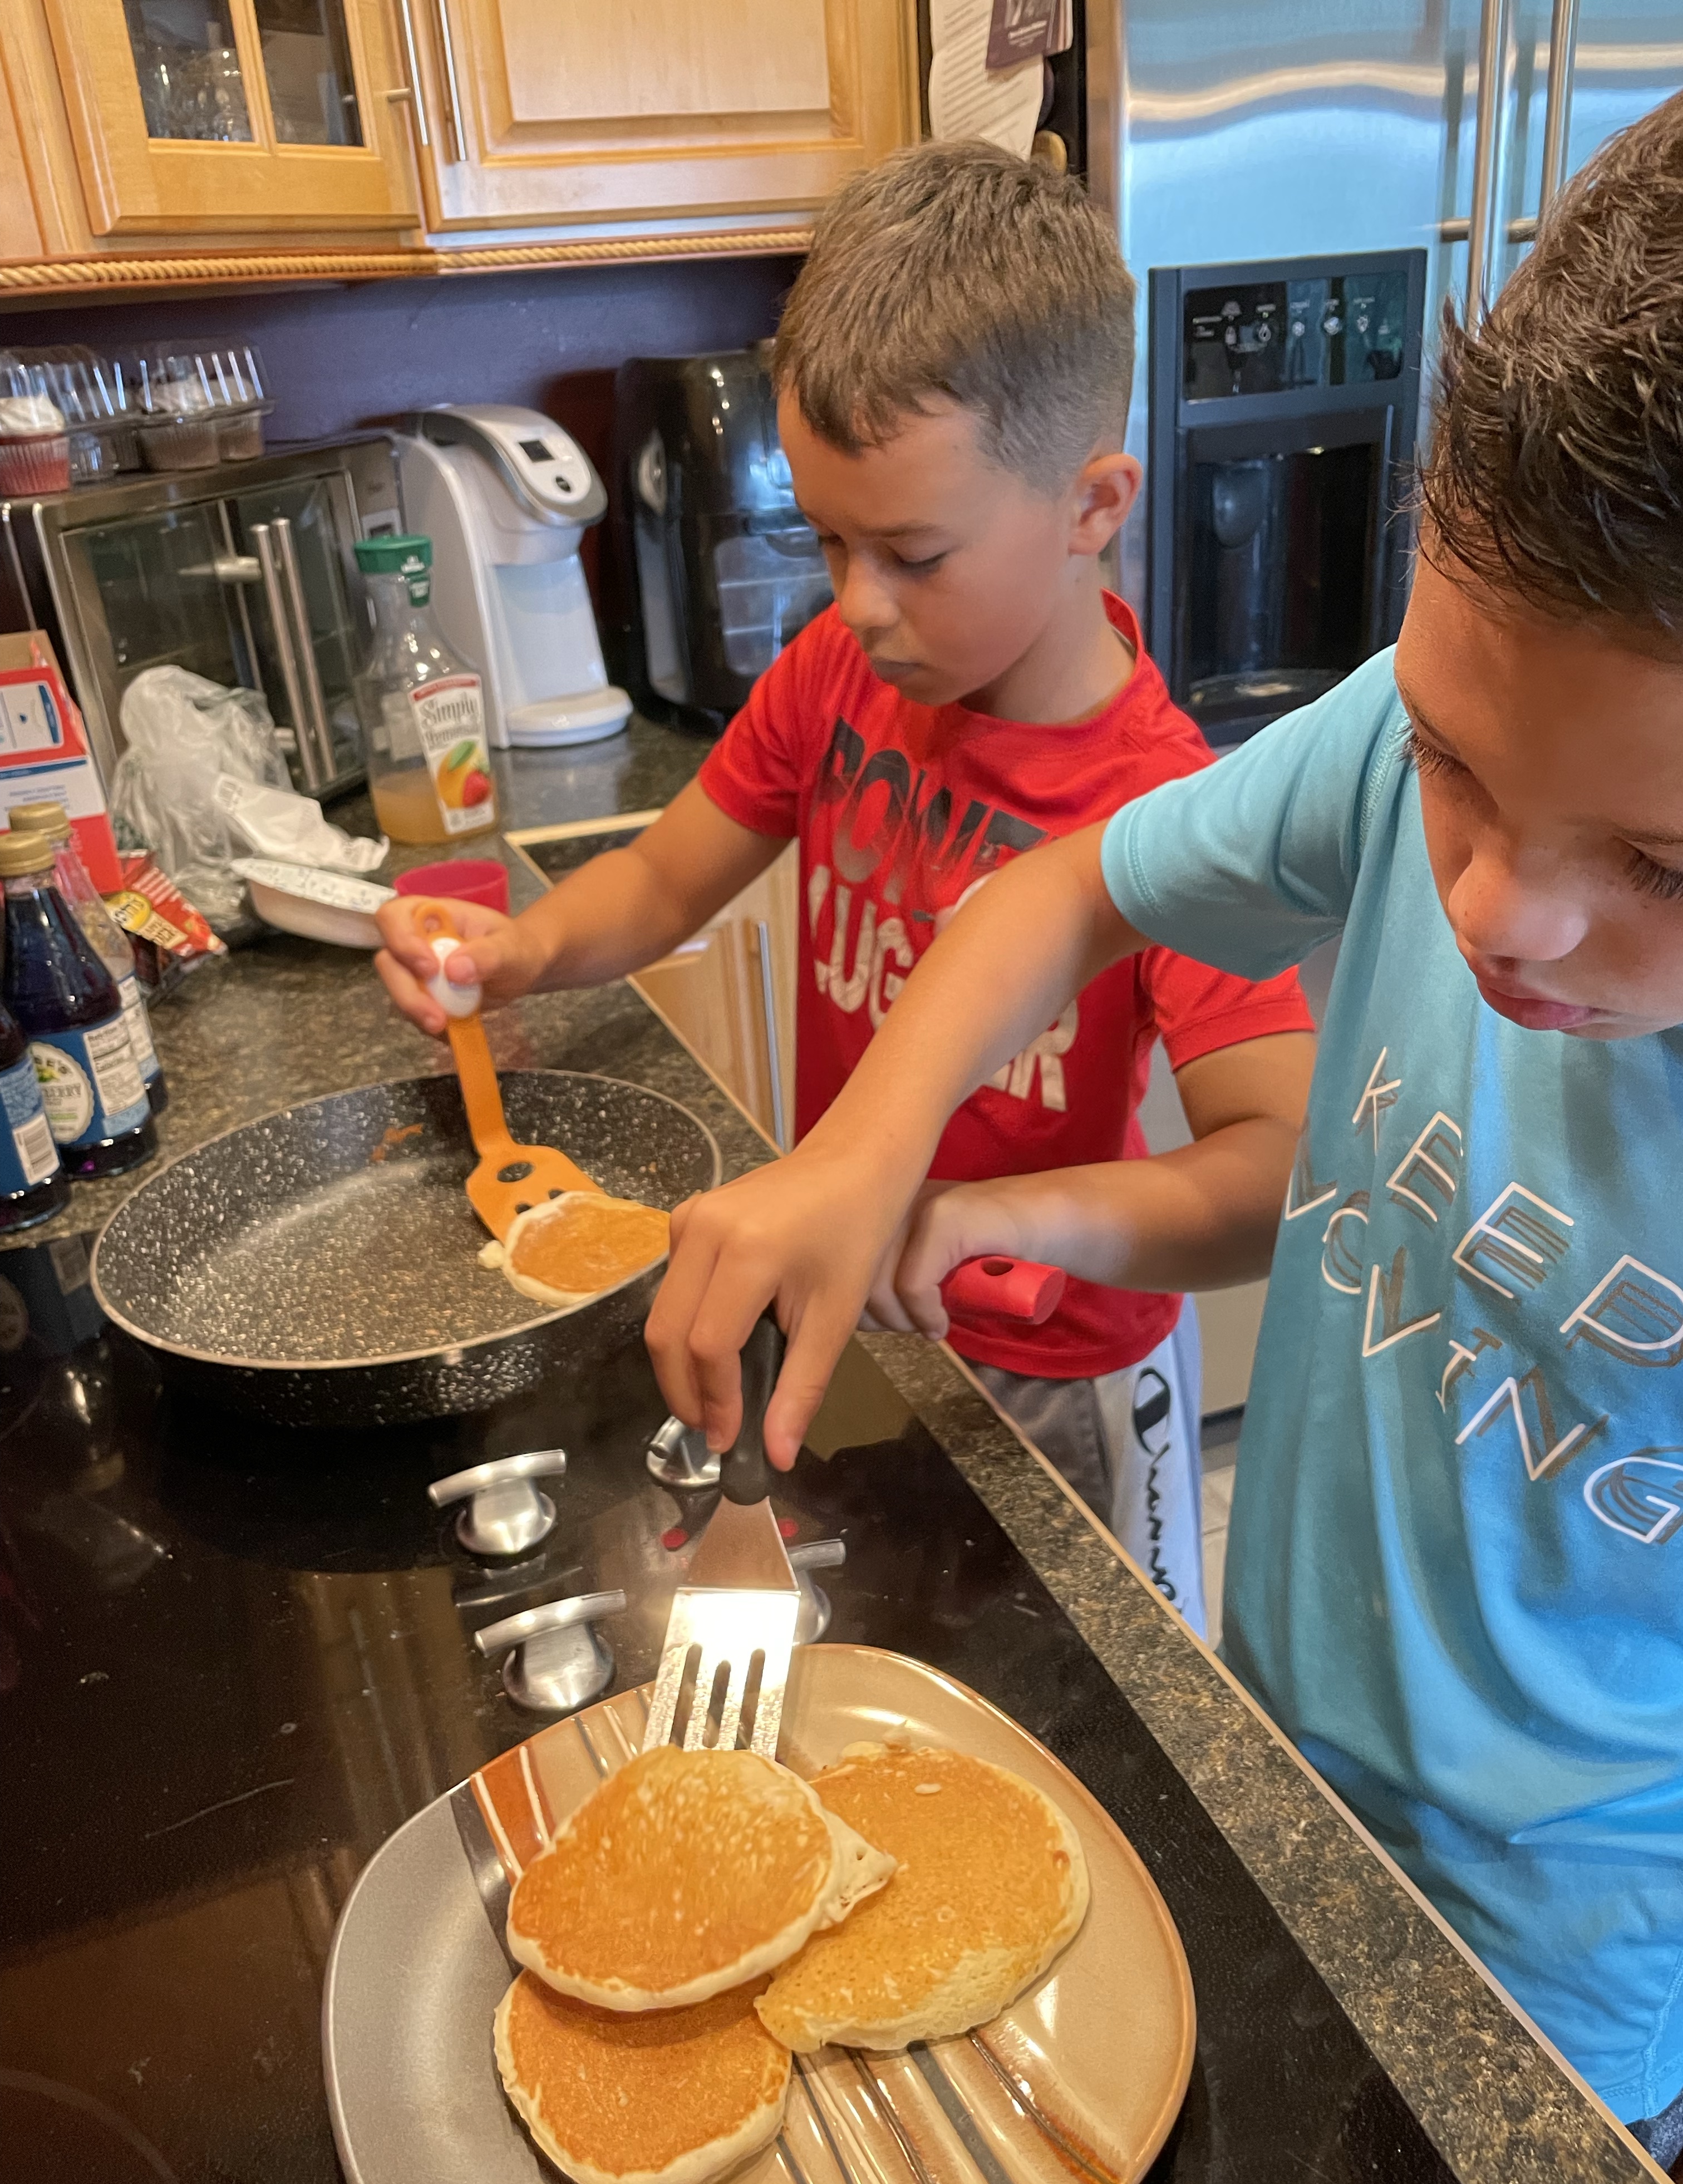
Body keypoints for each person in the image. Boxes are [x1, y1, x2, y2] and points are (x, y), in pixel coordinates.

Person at [643, 96, 1683, 2166]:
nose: (1493, 910)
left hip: (1573, 1981)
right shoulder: (1407, 732)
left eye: (1660, 862)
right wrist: (863, 1158)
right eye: (1458, 767)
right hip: (1271, 1770)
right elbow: (1065, 892)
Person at [374, 142, 1316, 1634]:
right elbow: (668, 876)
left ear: (1093, 504)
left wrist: (1004, 1216)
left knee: (1088, 1709)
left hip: (1062, 1377)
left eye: (914, 552)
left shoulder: (1170, 807)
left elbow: (1277, 1171)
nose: (857, 602)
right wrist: (521, 949)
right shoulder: (838, 675)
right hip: (858, 1320)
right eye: (828, 538)